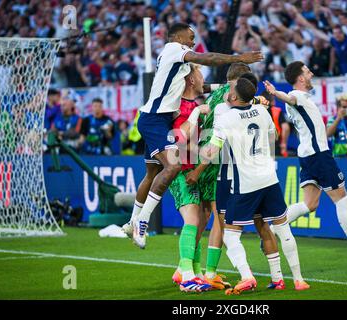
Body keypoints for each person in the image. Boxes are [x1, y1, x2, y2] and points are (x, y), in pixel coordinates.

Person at [129, 22, 263, 249]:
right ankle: (142, 222)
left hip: (157, 118)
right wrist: (239, 57)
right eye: (190, 37)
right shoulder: (174, 49)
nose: (193, 41)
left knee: (152, 172)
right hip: (155, 119)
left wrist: (229, 84)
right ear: (178, 38)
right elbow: (208, 58)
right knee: (172, 167)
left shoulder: (175, 63)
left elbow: (201, 86)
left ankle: (132, 219)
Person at [264, 61, 347, 262]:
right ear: (300, 78)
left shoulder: (300, 99)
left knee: (309, 204)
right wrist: (276, 92)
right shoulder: (298, 96)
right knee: (342, 199)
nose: (311, 73)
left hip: (307, 155)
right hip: (319, 155)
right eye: (307, 71)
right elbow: (291, 97)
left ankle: (273, 227)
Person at [203, 78, 310, 294]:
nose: (227, 92)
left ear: (233, 97)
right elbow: (275, 135)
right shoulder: (263, 111)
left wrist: (190, 157)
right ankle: (296, 279)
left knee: (231, 235)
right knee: (281, 227)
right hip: (269, 179)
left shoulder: (226, 117)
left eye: (230, 89)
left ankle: (247, 276)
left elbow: (211, 152)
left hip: (247, 183)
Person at [167, 64, 213, 292]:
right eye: (199, 72)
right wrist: (196, 113)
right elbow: (180, 138)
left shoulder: (193, 104)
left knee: (199, 222)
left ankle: (195, 271)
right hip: (179, 170)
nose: (203, 76)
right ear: (191, 80)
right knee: (192, 221)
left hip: (191, 169)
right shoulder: (178, 106)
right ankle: (186, 276)